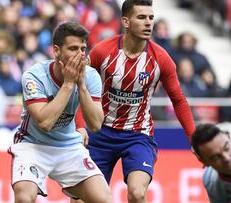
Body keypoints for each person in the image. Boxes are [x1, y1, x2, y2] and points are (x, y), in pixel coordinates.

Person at [81, 0, 196, 202]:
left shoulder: (161, 59)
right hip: (100, 133)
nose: (148, 23)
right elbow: (78, 88)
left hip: (137, 135)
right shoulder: (102, 52)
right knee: (82, 199)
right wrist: (80, 126)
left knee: (137, 193)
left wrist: (193, 137)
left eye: (151, 18)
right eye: (141, 17)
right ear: (125, 21)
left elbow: (178, 100)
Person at [8, 21, 113, 203]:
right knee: (24, 198)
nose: (80, 55)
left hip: (69, 147)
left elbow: (96, 125)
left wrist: (81, 86)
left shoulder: (91, 76)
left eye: (83, 48)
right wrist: (69, 83)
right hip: (33, 145)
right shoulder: (34, 76)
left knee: (104, 200)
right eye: (73, 49)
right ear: (56, 50)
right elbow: (45, 123)